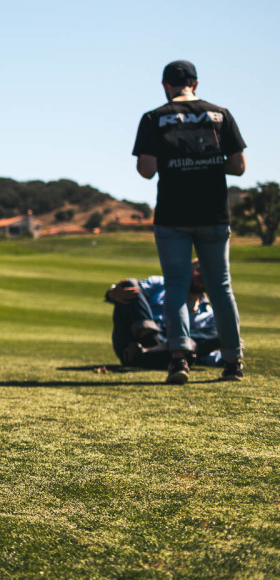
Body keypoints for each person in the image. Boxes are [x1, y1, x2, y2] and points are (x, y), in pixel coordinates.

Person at [132, 60, 247, 384]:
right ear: (194, 84)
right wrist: (207, 163)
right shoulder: (219, 114)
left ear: (165, 85)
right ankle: (233, 361)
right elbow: (238, 166)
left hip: (173, 215)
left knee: (176, 287)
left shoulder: (155, 118)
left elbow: (146, 169)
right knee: (221, 288)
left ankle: (179, 359)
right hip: (213, 214)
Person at [105, 259, 222, 369]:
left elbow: (204, 349)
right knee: (131, 284)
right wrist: (111, 293)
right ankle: (152, 341)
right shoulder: (160, 284)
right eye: (199, 270)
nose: (202, 276)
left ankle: (148, 353)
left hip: (170, 350)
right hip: (138, 340)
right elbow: (128, 288)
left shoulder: (208, 315)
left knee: (222, 331)